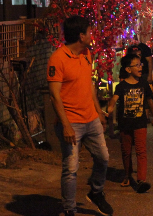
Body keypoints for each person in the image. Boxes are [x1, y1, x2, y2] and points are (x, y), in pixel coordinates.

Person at [47, 16, 113, 216]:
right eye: (89, 32)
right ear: (80, 36)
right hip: (71, 122)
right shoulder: (58, 59)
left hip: (90, 118)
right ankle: (69, 209)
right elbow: (54, 95)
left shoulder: (87, 54)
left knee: (103, 157)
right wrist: (66, 125)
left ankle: (96, 192)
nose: (92, 35)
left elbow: (89, 85)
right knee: (71, 168)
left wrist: (98, 111)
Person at [107, 53, 153, 193]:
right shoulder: (122, 86)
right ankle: (128, 175)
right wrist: (110, 107)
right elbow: (114, 98)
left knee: (141, 151)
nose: (140, 67)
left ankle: (141, 180)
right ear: (128, 69)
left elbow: (149, 102)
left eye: (140, 64)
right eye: (137, 65)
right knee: (126, 151)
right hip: (125, 124)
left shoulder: (144, 84)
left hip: (140, 123)